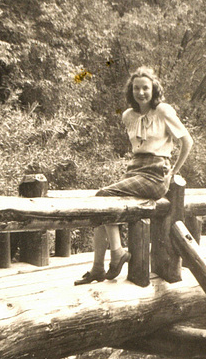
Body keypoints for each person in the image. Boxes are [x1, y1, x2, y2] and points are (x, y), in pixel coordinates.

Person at [75, 66, 193, 285]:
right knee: (100, 207)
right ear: (131, 91)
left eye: (145, 88)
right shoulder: (128, 116)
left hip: (156, 174)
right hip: (135, 171)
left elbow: (187, 142)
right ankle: (98, 268)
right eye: (137, 88)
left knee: (103, 196)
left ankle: (118, 253)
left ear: (153, 89)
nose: (141, 93)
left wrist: (173, 172)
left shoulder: (164, 111)